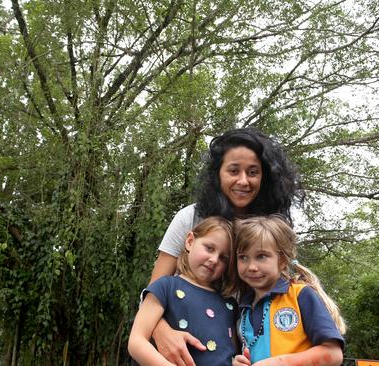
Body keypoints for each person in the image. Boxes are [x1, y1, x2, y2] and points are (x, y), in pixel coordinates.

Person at [149, 127, 304, 365]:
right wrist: (160, 332)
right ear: (218, 174)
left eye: (253, 172)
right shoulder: (190, 218)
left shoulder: (272, 232)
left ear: (265, 177)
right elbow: (154, 288)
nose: (243, 181)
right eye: (233, 170)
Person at [229, 215, 346, 366]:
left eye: (261, 256)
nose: (251, 266)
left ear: (282, 260)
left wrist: (281, 362)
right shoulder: (243, 308)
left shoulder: (300, 295)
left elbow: (333, 354)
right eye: (243, 257)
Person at [129, 217, 239, 365]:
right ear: (190, 241)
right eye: (209, 248)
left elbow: (228, 353)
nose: (214, 259)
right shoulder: (165, 287)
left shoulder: (229, 304)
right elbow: (137, 341)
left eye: (223, 258)